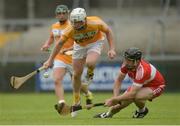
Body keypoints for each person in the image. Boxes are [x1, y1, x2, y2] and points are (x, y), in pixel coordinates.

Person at [43, 7, 116, 117]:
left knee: (90, 62)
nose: (75, 24)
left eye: (78, 22)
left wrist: (112, 49)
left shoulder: (96, 23)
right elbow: (58, 45)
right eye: (73, 22)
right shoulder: (70, 29)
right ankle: (76, 100)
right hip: (79, 46)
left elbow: (108, 31)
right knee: (76, 75)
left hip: (95, 43)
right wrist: (50, 60)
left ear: (84, 20)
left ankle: (90, 74)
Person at [41, 5, 93, 116]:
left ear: (68, 14)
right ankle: (62, 103)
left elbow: (81, 42)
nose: (61, 15)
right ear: (56, 15)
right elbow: (52, 38)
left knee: (77, 83)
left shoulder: (73, 25)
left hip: (73, 58)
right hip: (59, 58)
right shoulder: (54, 26)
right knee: (57, 79)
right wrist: (47, 44)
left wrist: (67, 49)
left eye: (63, 13)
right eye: (59, 13)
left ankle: (87, 94)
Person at [94, 47, 165, 118]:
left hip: (156, 86)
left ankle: (141, 111)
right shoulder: (126, 64)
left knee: (136, 96)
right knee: (118, 106)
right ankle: (108, 115)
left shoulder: (142, 70)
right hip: (141, 85)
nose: (126, 61)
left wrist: (114, 100)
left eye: (129, 60)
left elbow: (132, 94)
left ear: (136, 61)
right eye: (125, 59)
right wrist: (115, 98)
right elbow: (118, 80)